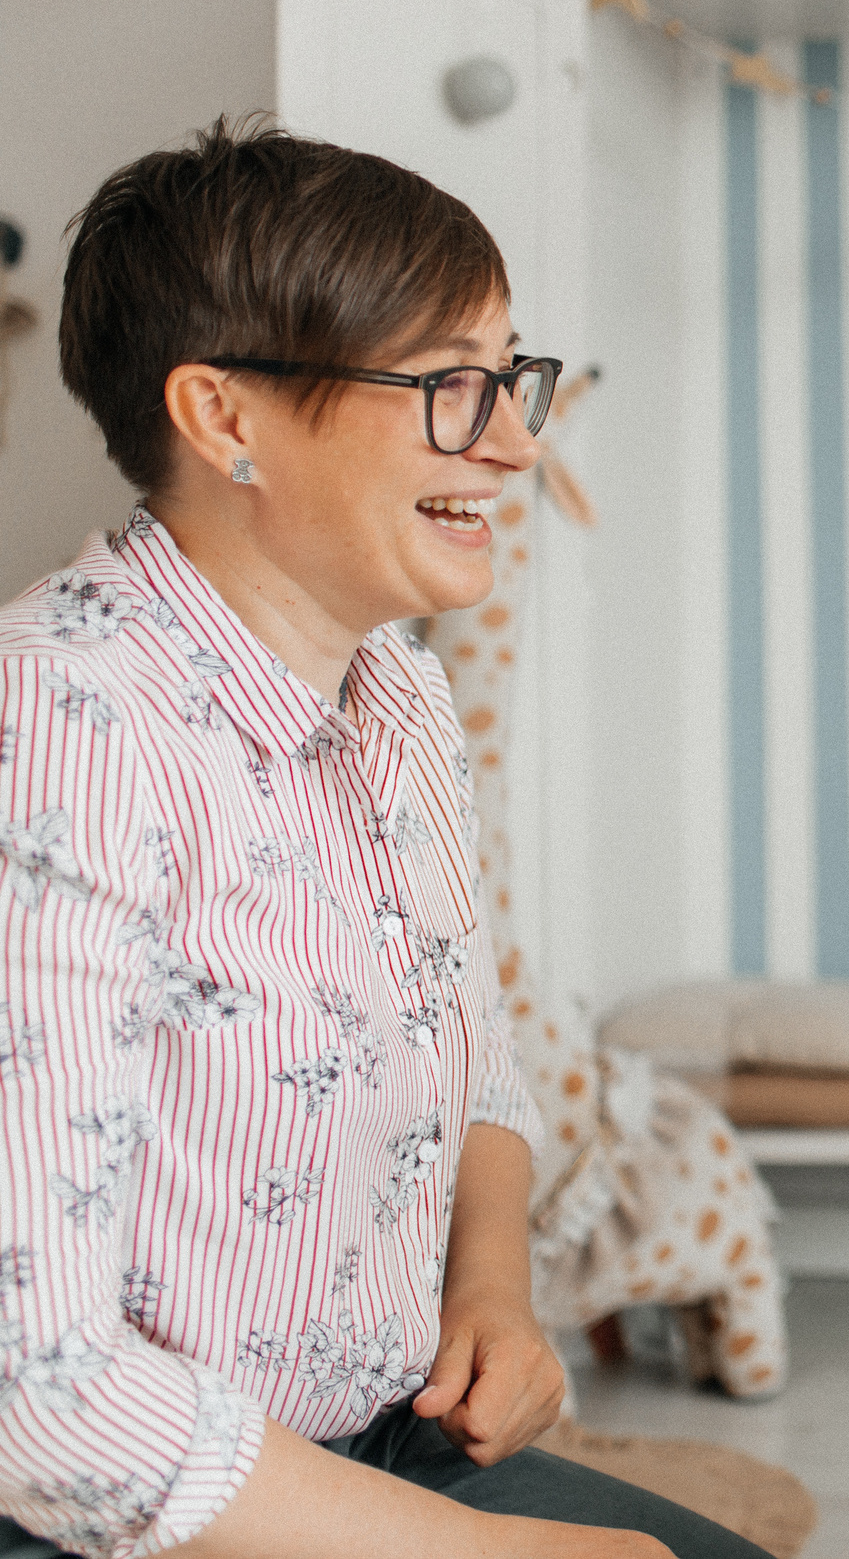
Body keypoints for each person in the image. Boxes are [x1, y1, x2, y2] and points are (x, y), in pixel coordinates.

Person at [0, 119, 766, 1559]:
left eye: (509, 374)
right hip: (95, 1507)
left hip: (376, 1435)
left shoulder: (396, 685)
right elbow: (35, 1396)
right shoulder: (55, 725)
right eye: (449, 385)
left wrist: (489, 1285)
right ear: (225, 419)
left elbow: (465, 1031)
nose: (517, 440)